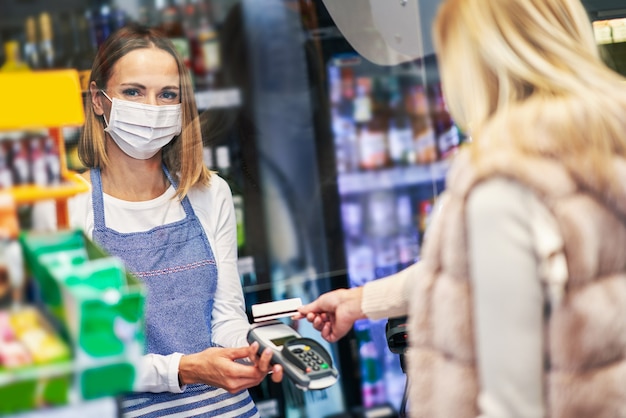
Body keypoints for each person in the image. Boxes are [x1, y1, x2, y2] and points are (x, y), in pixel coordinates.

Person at [296, 0, 626, 417]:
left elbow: (511, 401)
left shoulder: (504, 181)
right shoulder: (605, 146)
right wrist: (361, 301)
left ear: (480, 62)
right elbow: (483, 271)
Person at [34, 24, 282, 417]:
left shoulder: (208, 193)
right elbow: (84, 358)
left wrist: (260, 345)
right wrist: (182, 370)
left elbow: (226, 319)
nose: (152, 108)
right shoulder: (65, 207)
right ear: (99, 101)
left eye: (167, 94)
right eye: (133, 92)